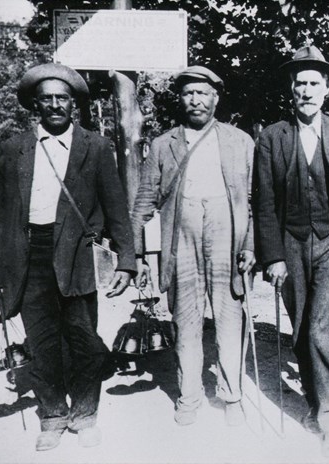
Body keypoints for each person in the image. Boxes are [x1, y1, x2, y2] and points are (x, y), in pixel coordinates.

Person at [0, 63, 135, 451]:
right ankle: (52, 414)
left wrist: (126, 260)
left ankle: (85, 414)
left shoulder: (96, 147)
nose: (55, 105)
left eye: (63, 98)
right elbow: (1, 217)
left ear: (74, 104)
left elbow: (116, 206)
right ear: (34, 104)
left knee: (83, 337)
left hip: (77, 253)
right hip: (28, 255)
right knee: (42, 340)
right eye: (47, 99)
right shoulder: (10, 150)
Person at [130, 66, 255, 428]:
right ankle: (189, 396)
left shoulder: (239, 141)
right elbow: (143, 201)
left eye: (203, 93)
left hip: (227, 239)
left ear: (216, 98)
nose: (196, 100)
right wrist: (137, 256)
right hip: (179, 240)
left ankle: (232, 395)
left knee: (230, 321)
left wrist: (250, 245)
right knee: (185, 322)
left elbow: (255, 200)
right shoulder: (162, 144)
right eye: (188, 94)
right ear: (180, 99)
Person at [254, 45, 329, 457]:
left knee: (321, 330)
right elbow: (264, 202)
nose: (307, 90)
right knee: (301, 330)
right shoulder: (272, 137)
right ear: (291, 89)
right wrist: (274, 256)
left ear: (327, 89)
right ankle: (316, 404)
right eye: (300, 83)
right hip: (291, 245)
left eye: (315, 83)